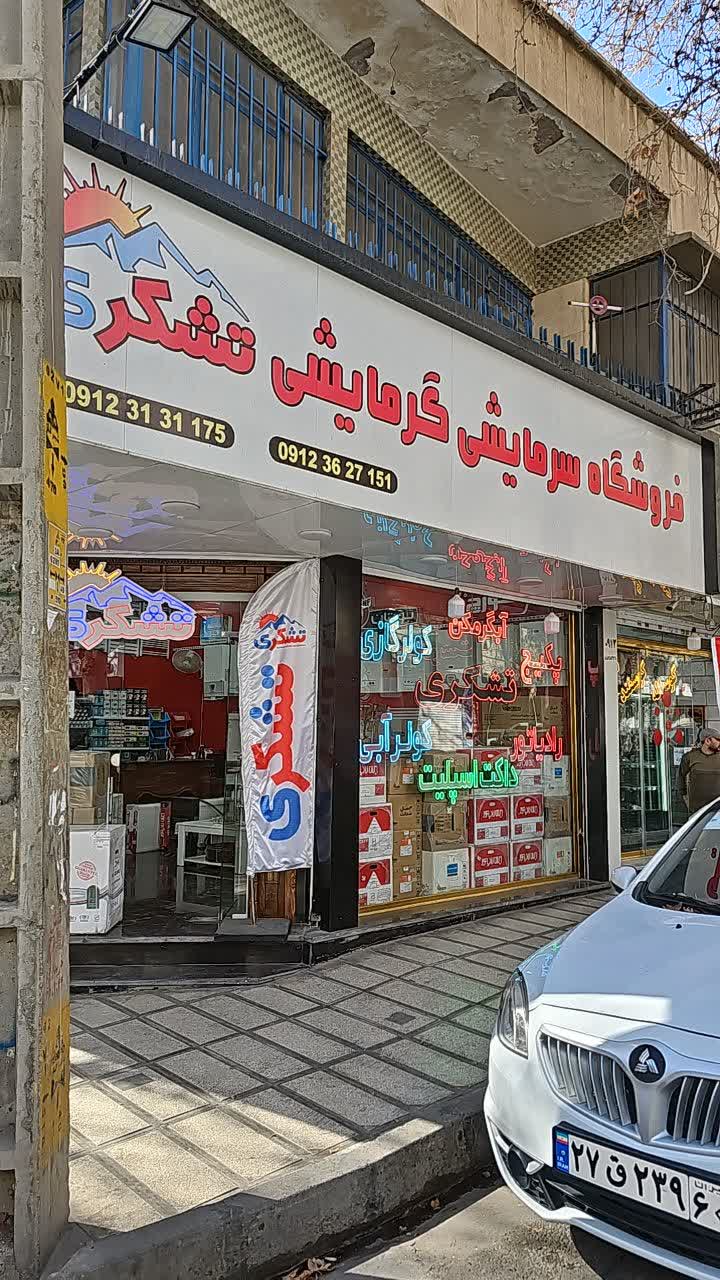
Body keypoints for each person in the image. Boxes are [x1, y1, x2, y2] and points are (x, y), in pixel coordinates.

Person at [679, 728, 720, 815]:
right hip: (697, 811)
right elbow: (681, 777)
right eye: (718, 739)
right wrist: (684, 797)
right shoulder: (689, 757)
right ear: (707, 741)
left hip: (718, 810)